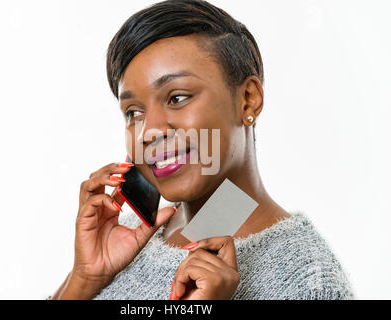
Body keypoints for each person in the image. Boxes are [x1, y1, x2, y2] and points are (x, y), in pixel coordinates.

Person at [51, 0, 354, 300]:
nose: (150, 131)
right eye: (133, 112)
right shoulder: (130, 235)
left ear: (248, 100)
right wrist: (84, 280)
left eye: (178, 98)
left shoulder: (308, 282)